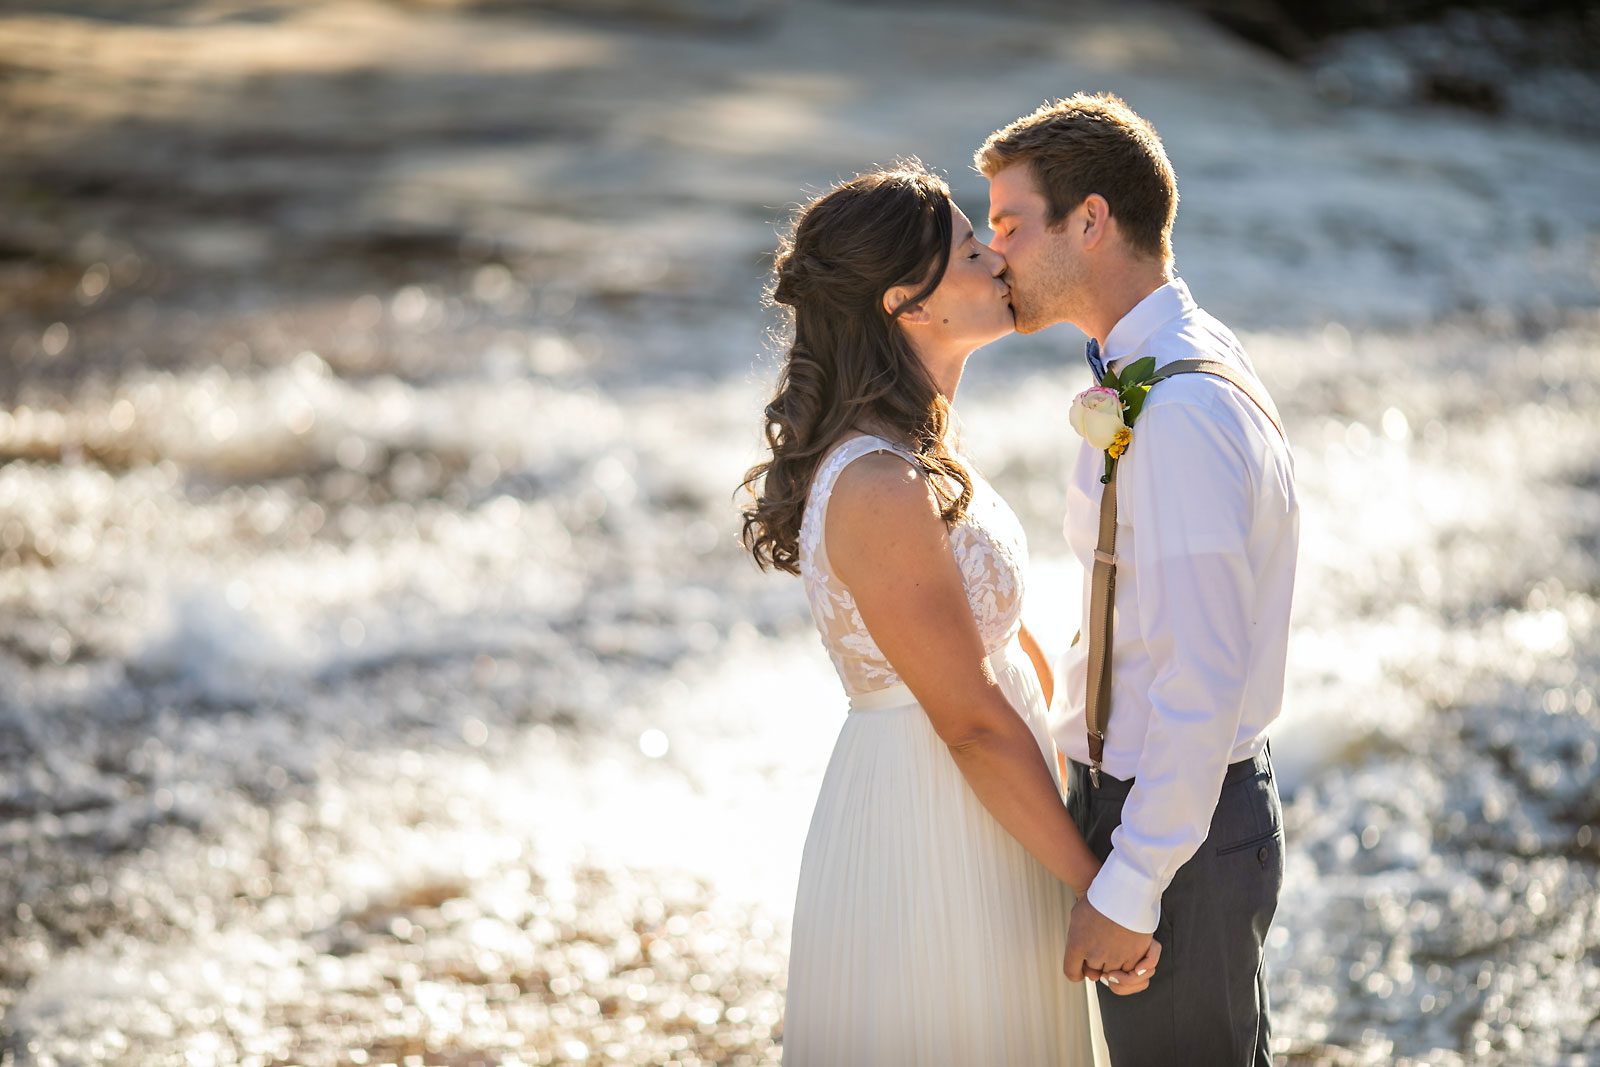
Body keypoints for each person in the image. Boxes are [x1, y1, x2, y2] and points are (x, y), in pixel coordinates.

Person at [740, 162, 1157, 1065]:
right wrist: (1104, 889)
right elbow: (967, 717)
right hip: (932, 823)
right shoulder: (878, 484)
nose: (1001, 259)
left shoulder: (916, 447)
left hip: (996, 803)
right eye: (973, 249)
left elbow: (1000, 643)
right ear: (907, 304)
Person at [977, 93, 1299, 1065]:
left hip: (1179, 830)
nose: (995, 256)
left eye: (1008, 225)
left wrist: (1129, 883)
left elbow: (1199, 678)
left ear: (1090, 220)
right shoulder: (1157, 368)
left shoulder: (1182, 409)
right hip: (1174, 815)